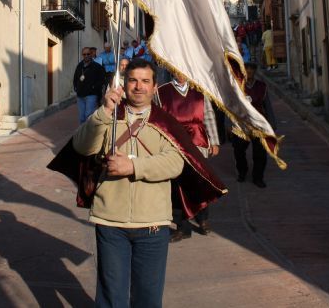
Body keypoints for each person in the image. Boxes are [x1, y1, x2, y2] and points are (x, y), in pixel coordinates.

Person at [56, 59, 224, 307]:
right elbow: (82, 146)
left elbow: (174, 164)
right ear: (124, 84)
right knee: (112, 296)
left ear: (155, 87)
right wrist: (103, 112)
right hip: (110, 221)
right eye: (133, 80)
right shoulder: (108, 115)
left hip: (153, 224)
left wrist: (133, 167)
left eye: (145, 81)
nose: (139, 86)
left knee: (148, 297)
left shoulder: (167, 123)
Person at [155, 73, 221, 242]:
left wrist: (214, 141)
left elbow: (208, 116)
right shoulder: (162, 92)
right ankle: (182, 226)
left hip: (198, 142)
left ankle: (203, 219)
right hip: (174, 144)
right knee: (177, 185)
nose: (180, 73)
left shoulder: (200, 89)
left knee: (200, 181)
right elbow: (157, 120)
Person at [231, 63, 276, 187]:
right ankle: (242, 171)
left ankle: (258, 177)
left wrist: (272, 125)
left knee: (260, 152)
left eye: (252, 69)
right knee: (238, 150)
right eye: (247, 69)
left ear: (255, 71)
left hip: (259, 124)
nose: (249, 72)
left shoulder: (262, 87)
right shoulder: (237, 86)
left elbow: (268, 106)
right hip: (242, 124)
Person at [73, 47, 106, 123]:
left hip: (91, 95)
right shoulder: (79, 66)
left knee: (88, 115)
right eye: (84, 54)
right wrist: (76, 87)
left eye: (88, 54)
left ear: (91, 54)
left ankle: (88, 133)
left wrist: (94, 87)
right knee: (81, 117)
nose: (86, 56)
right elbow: (75, 77)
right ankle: (82, 134)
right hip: (80, 95)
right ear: (82, 55)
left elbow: (102, 80)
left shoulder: (97, 66)